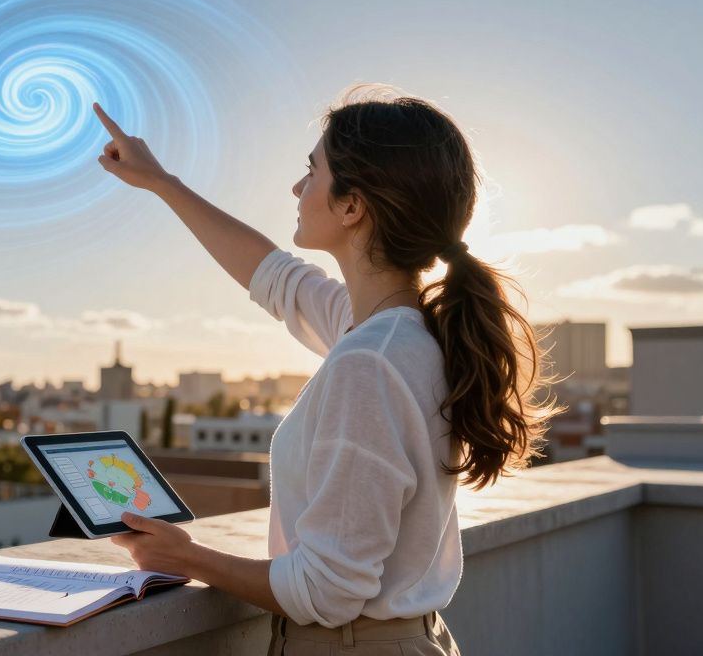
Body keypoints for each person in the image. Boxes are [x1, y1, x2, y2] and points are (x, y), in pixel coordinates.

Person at [91, 84, 562, 655]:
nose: (297, 187)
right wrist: (161, 182)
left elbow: (327, 590)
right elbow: (274, 277)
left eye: (311, 171)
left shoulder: (372, 361)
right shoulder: (401, 334)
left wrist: (183, 555)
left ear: (351, 205)